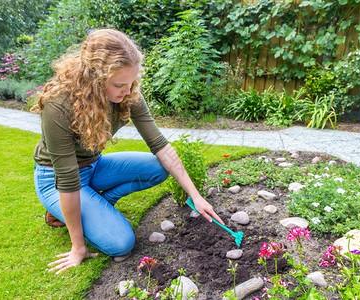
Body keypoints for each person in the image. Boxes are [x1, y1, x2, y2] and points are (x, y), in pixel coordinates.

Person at [31, 28, 224, 275]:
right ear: (94, 78)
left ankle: (98, 204)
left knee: (157, 168)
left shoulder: (128, 94)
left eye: (132, 81)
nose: (128, 90)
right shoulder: (59, 104)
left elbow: (161, 146)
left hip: (94, 166)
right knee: (121, 244)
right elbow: (67, 182)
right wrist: (78, 247)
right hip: (56, 180)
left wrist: (196, 196)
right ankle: (65, 211)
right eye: (119, 84)